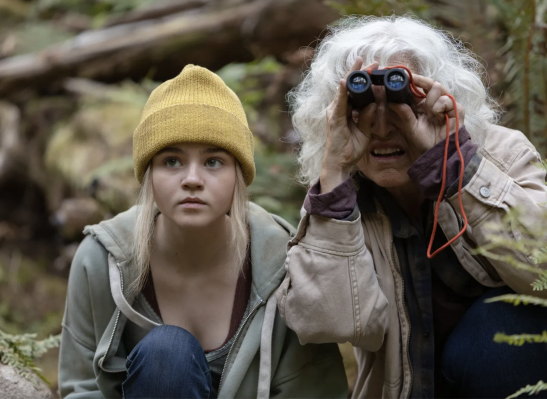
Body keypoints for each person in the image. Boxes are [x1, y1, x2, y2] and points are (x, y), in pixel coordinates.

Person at [276, 16, 547, 398]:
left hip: (527, 378)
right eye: (359, 105)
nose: (380, 129)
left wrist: (457, 166)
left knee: (501, 325)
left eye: (402, 100)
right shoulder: (339, 198)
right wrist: (334, 170)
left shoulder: (501, 154)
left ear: (442, 95)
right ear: (334, 113)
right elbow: (328, 321)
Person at [58, 65, 347, 399]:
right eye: (171, 161)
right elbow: (82, 389)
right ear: (148, 173)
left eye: (213, 162)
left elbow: (315, 391)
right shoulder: (102, 259)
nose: (192, 179)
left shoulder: (282, 263)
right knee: (168, 355)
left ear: (238, 174)